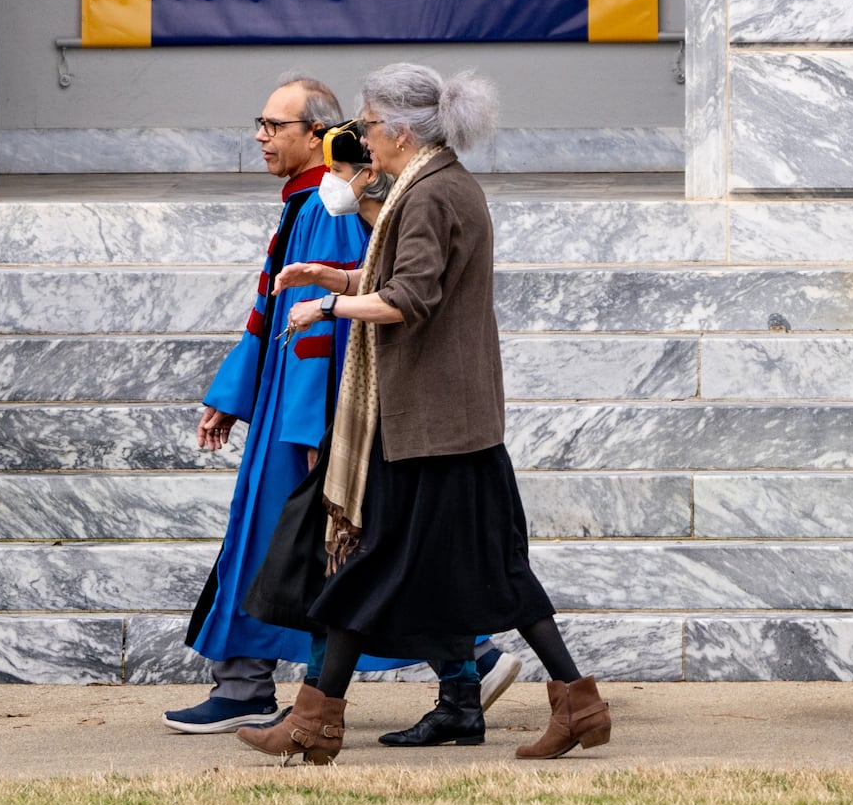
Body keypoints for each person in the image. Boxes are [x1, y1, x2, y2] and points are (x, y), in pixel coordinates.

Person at [236, 65, 607, 765]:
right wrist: (331, 277)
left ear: (401, 132)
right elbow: (397, 278)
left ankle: (316, 722)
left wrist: (331, 306)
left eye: (370, 126)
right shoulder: (433, 184)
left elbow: (410, 299)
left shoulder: (434, 193)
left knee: (369, 565)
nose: (361, 139)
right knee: (500, 575)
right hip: (445, 420)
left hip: (431, 425)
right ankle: (578, 703)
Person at [172, 78, 444, 732]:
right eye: (260, 122)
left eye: (274, 125)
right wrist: (232, 397)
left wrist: (310, 426)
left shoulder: (330, 206)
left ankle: (248, 687)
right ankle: (463, 659)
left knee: (293, 552)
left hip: (302, 419)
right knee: (292, 554)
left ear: (315, 134)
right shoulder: (304, 202)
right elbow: (271, 312)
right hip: (279, 410)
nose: (261, 136)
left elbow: (332, 330)